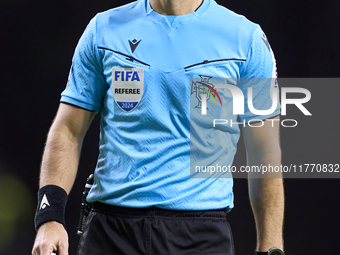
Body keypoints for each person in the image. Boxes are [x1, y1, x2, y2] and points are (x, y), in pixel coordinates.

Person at [32, 0, 284, 254]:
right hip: (111, 232)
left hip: (200, 236)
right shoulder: (103, 29)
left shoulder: (245, 38)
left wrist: (271, 247)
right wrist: (49, 216)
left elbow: (264, 151)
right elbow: (68, 131)